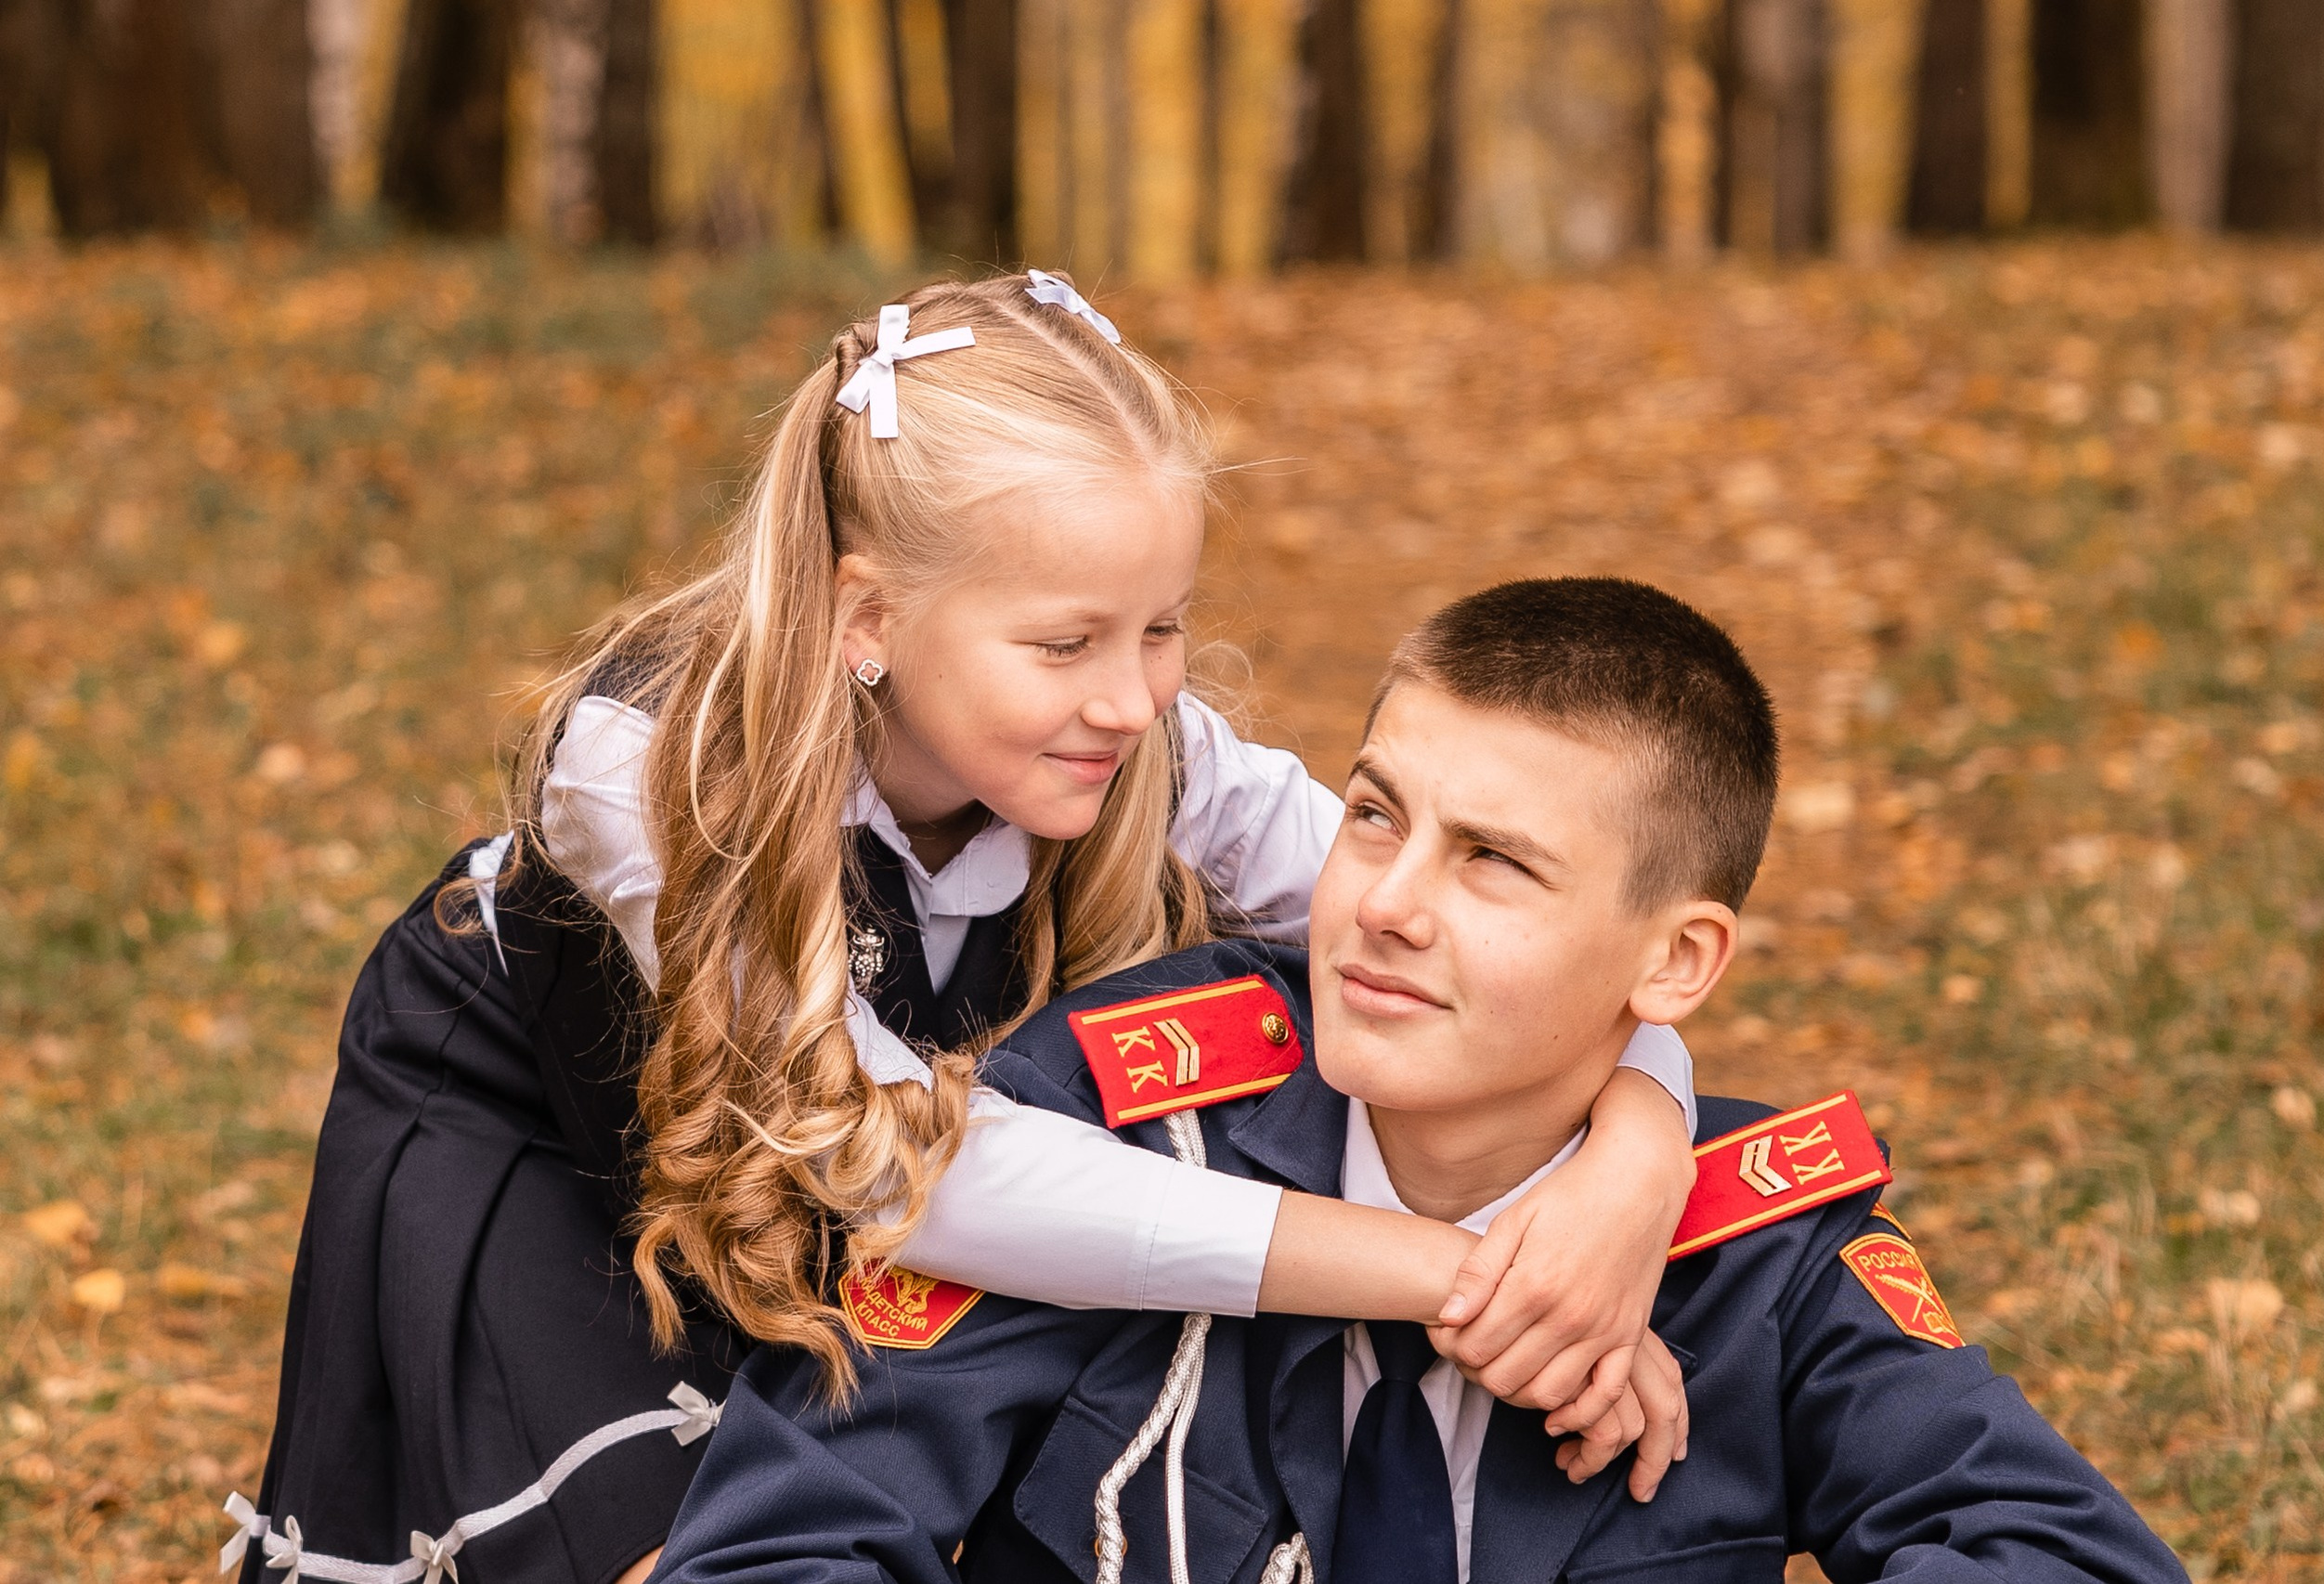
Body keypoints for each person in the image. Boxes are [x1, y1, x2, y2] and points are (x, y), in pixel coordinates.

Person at [233, 279, 1706, 1584]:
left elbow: (1522, 947)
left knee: (855, 1505)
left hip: (819, 1171)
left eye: (1163, 626)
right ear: (865, 617)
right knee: (675, 1543)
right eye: (1065, 643)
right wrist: (1455, 1269)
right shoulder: (647, 763)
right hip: (547, 1127)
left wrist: (1637, 1158)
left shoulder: (1141, 743)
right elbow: (911, 1178)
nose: (1133, 699)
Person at [647, 578, 2189, 1584]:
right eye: (1376, 816)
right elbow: (787, 1537)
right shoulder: (1120, 1136)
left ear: (1675, 967)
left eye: (1496, 863)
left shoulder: (1759, 1263)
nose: (1383, 900)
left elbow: (2059, 1551)